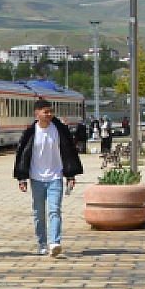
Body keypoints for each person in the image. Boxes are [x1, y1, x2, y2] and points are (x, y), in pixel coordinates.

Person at [14, 98, 83, 258]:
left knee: (55, 210)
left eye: (51, 111)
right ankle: (42, 243)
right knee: (39, 213)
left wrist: (70, 175)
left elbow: (68, 154)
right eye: (46, 112)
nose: (50, 114)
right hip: (36, 177)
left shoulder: (60, 130)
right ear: (37, 113)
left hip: (55, 176)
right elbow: (22, 156)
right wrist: (22, 178)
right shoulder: (30, 133)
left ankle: (55, 243)